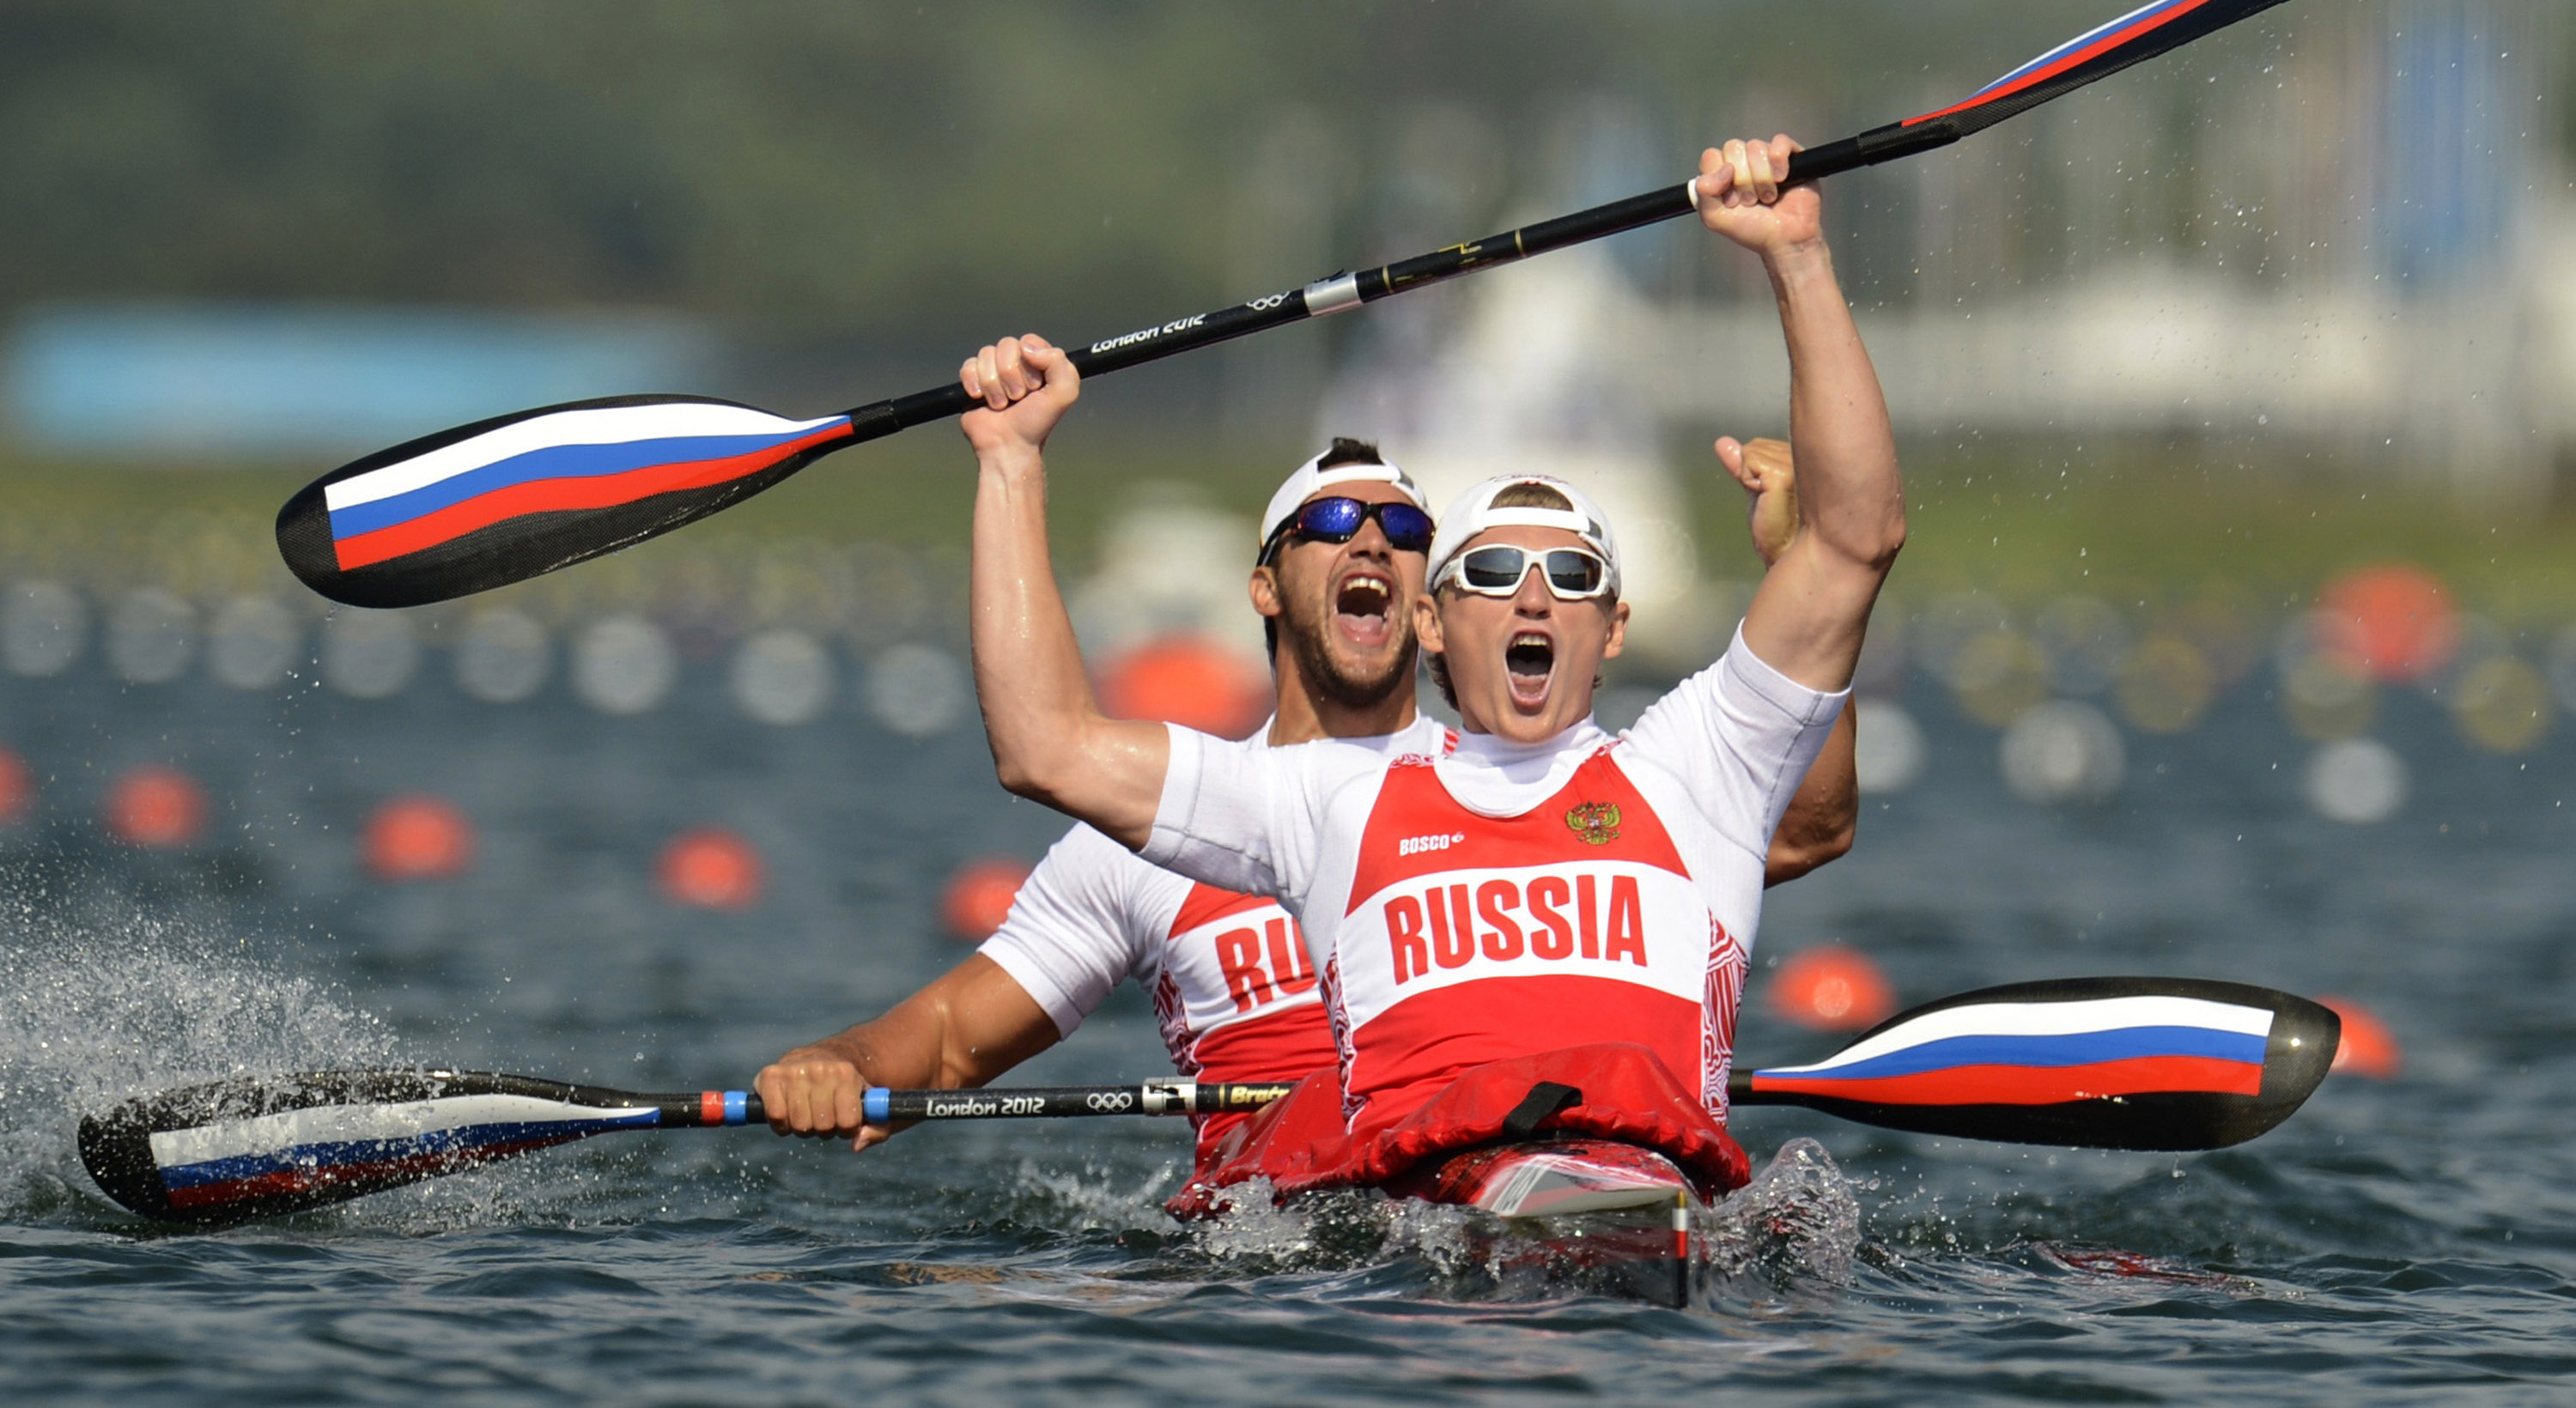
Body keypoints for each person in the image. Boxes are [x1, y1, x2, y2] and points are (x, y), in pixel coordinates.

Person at [945, 133, 1903, 1201]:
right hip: (1433, 1233)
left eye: (1569, 574)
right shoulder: (1334, 800)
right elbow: (1044, 747)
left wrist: (1797, 258)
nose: (1534, 593)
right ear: (1434, 624)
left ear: (1615, 626)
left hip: (1654, 1195)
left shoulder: (1695, 767)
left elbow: (1855, 539)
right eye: (1494, 569)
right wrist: (1012, 463)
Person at [754, 443, 1857, 1175]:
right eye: (1332, 520)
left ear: (1432, 601)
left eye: (1403, 522)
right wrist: (843, 1061)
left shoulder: (1529, 774)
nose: (1371, 538)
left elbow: (1802, 822)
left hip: (1539, 1143)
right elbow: (945, 1045)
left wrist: (1799, 571)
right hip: (1294, 1249)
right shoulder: (1150, 842)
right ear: (1267, 587)